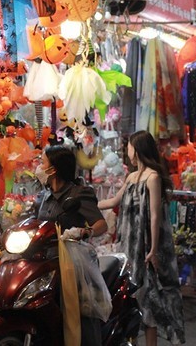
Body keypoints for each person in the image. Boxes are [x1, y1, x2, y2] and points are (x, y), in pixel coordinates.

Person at [99, 130, 185, 345]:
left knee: (149, 300)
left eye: (129, 146)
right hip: (129, 245)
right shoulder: (131, 177)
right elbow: (113, 202)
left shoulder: (153, 177)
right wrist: (86, 203)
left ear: (137, 150)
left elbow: (155, 216)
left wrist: (153, 249)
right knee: (131, 298)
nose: (127, 150)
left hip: (145, 246)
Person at [35, 145, 108, 346]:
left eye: (42, 163)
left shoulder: (79, 193)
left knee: (81, 312)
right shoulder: (44, 196)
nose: (38, 167)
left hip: (71, 263)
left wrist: (85, 231)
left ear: (54, 169)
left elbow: (101, 224)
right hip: (46, 262)